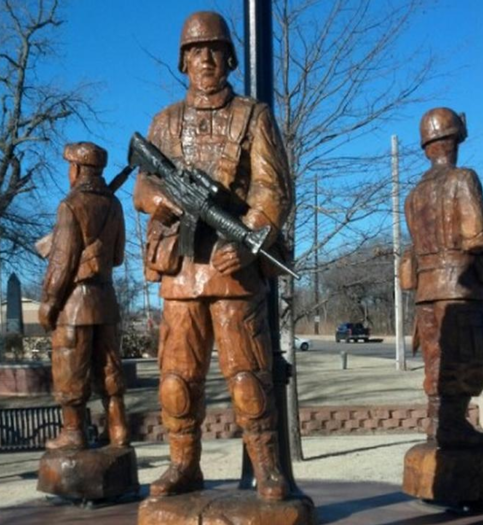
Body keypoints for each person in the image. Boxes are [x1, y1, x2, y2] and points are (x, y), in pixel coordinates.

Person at [133, 11, 292, 500]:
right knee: (177, 380)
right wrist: (155, 201)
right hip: (180, 273)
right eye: (195, 50)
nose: (205, 58)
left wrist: (246, 240)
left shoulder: (253, 116)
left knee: (248, 377)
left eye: (213, 49)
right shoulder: (164, 122)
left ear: (229, 58)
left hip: (232, 269)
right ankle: (184, 464)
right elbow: (144, 184)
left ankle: (267, 468)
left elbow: (273, 189)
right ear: (183, 61)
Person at [402, 108, 483, 448]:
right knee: (466, 360)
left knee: (437, 360)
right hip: (460, 286)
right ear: (455, 140)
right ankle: (451, 426)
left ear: (427, 145)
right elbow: (477, 234)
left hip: (427, 290)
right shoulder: (462, 179)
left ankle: (438, 424)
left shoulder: (414, 195)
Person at [39, 142, 129, 450]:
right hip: (106, 300)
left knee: (70, 366)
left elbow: (62, 261)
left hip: (75, 303)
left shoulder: (70, 205)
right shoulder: (114, 205)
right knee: (109, 368)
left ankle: (74, 431)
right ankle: (118, 430)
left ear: (76, 170)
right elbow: (117, 257)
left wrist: (50, 301)